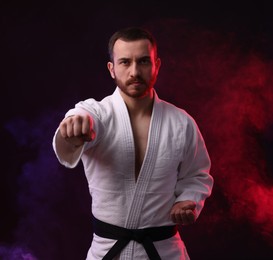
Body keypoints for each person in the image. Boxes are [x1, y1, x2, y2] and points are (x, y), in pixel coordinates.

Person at [52, 26, 214, 260]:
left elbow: (197, 174)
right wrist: (73, 127)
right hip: (106, 251)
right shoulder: (95, 114)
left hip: (165, 251)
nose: (135, 71)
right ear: (112, 68)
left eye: (144, 62)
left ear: (157, 65)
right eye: (125, 62)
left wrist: (188, 200)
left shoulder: (182, 123)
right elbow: (81, 118)